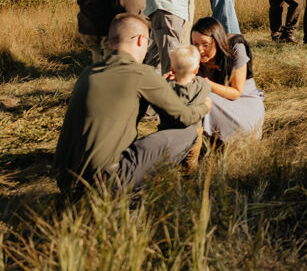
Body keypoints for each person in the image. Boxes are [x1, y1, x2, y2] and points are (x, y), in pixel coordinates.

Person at [53, 14, 211, 196]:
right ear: (141, 40)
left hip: (66, 180)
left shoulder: (88, 73)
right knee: (188, 132)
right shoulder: (142, 74)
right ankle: (138, 194)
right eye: (147, 42)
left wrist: (157, 84)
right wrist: (205, 106)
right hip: (106, 181)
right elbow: (184, 117)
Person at [192, 18, 265, 142]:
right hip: (214, 99)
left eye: (205, 44)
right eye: (195, 44)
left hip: (243, 100)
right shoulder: (192, 54)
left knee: (202, 97)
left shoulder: (236, 48)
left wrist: (206, 84)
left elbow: (236, 92)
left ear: (217, 41)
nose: (200, 50)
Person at [158, 44, 210, 170]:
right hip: (194, 131)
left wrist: (164, 79)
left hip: (168, 131)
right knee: (191, 160)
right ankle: (190, 177)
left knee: (168, 159)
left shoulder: (166, 87)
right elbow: (207, 85)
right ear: (197, 69)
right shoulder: (202, 85)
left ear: (172, 69)